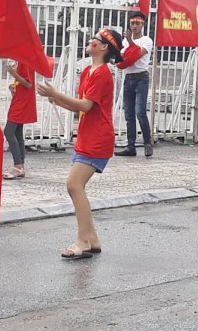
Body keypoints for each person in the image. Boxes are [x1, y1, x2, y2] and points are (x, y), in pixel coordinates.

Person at [36, 28, 123, 259]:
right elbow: (81, 106)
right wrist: (56, 98)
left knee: (74, 185)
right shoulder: (88, 71)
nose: (91, 41)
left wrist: (58, 94)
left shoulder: (103, 73)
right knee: (76, 186)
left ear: (104, 47)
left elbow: (85, 106)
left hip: (98, 138)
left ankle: (83, 240)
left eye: (96, 39)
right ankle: (91, 238)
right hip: (87, 135)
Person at [115, 11, 154, 157]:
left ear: (143, 24)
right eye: (132, 23)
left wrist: (130, 42)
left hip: (141, 78)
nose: (134, 26)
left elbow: (136, 55)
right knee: (129, 114)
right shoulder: (124, 42)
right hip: (129, 77)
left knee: (140, 112)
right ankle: (131, 146)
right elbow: (122, 59)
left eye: (137, 23)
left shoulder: (146, 40)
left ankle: (147, 142)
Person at [3, 60, 36, 179]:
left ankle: (17, 165)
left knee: (9, 131)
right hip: (20, 98)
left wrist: (14, 74)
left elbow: (28, 84)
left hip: (22, 101)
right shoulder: (22, 60)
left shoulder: (25, 61)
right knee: (17, 133)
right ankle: (20, 165)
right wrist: (14, 86)